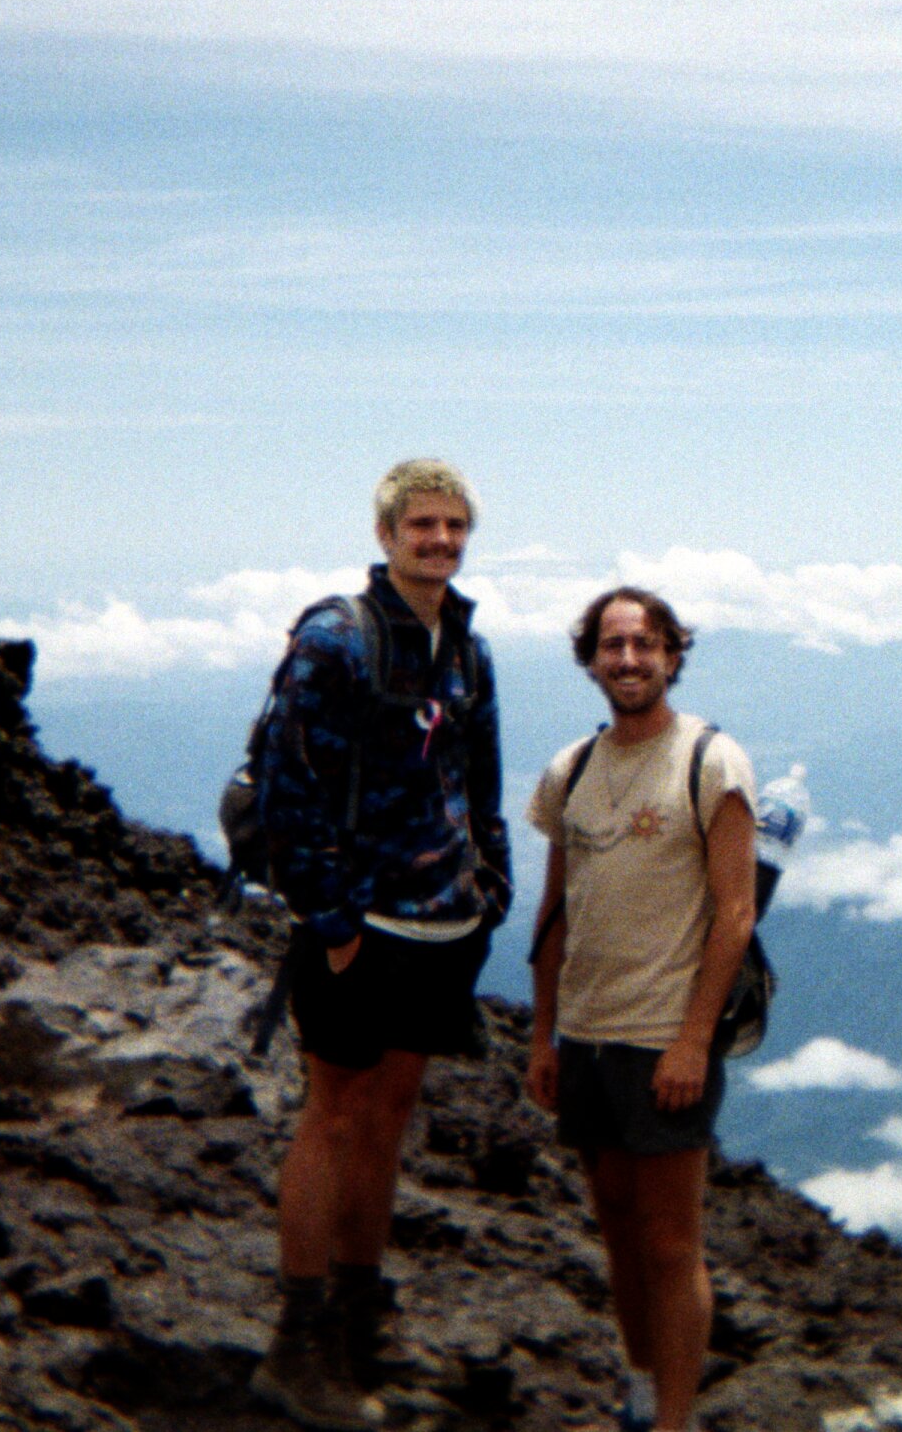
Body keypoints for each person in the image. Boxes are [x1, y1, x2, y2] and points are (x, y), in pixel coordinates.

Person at [249, 460, 511, 1432]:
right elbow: (289, 789)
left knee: (389, 1114)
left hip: (446, 923)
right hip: (364, 927)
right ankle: (296, 1345)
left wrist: (494, 887)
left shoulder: (465, 647)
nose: (439, 539)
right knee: (333, 1115)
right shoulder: (335, 640)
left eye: (453, 525)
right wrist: (333, 927)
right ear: (387, 530)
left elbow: (478, 776)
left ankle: (361, 1321)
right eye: (421, 524)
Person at [525, 587, 759, 1432]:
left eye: (646, 644)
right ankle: (639, 1384)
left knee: (670, 1243)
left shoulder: (712, 761)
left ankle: (675, 1421)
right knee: (619, 1231)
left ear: (672, 654)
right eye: (613, 645)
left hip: (664, 1037)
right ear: (591, 659)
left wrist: (693, 1041)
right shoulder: (570, 771)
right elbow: (554, 911)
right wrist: (542, 1032)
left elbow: (735, 912)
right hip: (586, 1035)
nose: (629, 659)